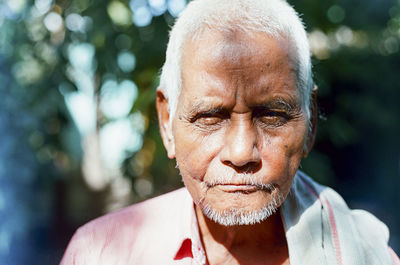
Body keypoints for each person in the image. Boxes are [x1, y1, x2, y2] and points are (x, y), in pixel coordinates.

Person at [60, 0, 400, 264]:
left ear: (309, 123)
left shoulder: (365, 252)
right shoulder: (100, 254)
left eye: (272, 116)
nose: (240, 153)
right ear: (167, 122)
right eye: (210, 116)